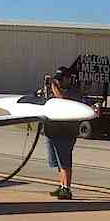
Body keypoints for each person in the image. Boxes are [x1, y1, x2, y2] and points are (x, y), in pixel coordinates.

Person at [45, 67, 81, 200]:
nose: (59, 82)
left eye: (61, 79)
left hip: (66, 132)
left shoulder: (74, 92)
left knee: (64, 161)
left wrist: (53, 86)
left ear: (68, 79)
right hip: (52, 130)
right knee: (58, 162)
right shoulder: (54, 90)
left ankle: (67, 188)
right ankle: (61, 186)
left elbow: (62, 99)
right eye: (57, 80)